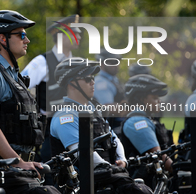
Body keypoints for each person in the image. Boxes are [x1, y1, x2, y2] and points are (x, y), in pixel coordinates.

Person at [0, 10, 59, 194]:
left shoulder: (14, 76)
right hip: (6, 173)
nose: (26, 40)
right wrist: (19, 162)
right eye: (21, 35)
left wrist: (27, 162)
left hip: (21, 169)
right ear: (3, 39)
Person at [50, 57, 152, 193]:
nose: (93, 82)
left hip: (106, 179)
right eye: (87, 79)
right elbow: (84, 153)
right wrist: (112, 169)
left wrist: (122, 161)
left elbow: (114, 138)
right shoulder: (65, 116)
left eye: (93, 78)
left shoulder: (94, 111)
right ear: (71, 84)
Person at [21, 15, 81, 176]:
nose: (79, 36)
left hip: (75, 128)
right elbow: (19, 88)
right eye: (74, 32)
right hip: (50, 133)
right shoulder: (42, 61)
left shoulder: (76, 62)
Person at [121, 74, 173, 188]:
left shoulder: (147, 119)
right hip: (145, 185)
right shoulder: (137, 122)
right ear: (142, 99)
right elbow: (159, 156)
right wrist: (178, 170)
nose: (159, 101)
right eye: (155, 98)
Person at [94, 48, 126, 131]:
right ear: (102, 63)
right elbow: (107, 107)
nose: (116, 65)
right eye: (112, 62)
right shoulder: (100, 82)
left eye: (117, 61)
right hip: (111, 129)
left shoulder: (114, 80)